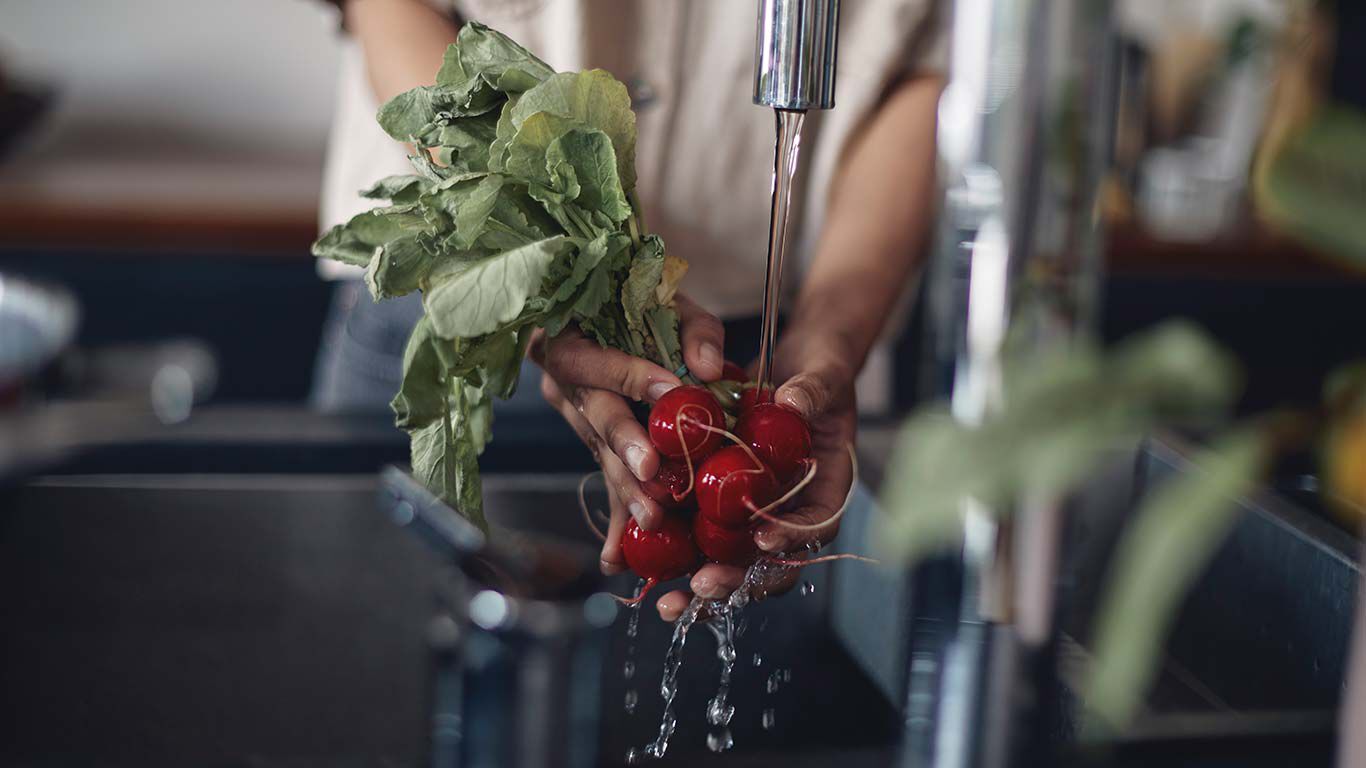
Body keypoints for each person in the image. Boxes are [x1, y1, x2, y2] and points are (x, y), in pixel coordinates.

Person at [313, 0, 944, 621]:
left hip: (767, 341)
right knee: (380, 655)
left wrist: (834, 331)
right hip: (466, 304)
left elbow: (920, 74)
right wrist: (542, 287)